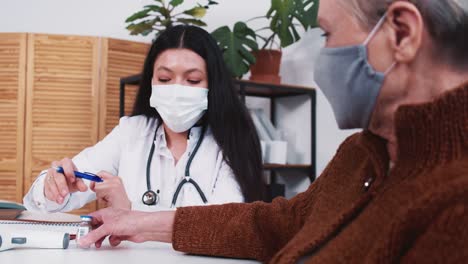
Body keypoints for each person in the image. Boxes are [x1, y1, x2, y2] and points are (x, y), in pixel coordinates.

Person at [79, 0, 468, 263]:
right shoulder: (362, 155)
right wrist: (137, 223)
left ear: (400, 33)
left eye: (328, 36)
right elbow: (278, 224)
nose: (322, 61)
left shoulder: (455, 205)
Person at [23, 25, 265, 212]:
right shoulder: (131, 132)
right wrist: (51, 187)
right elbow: (44, 203)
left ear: (213, 85)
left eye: (192, 80)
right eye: (164, 79)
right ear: (151, 82)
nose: (177, 89)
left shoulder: (232, 141)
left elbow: (226, 225)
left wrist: (130, 214)